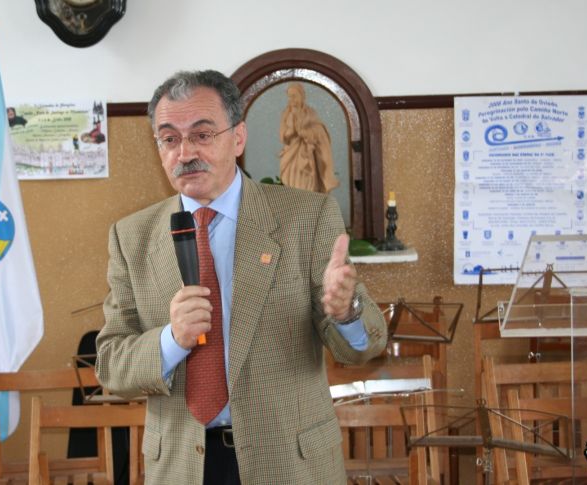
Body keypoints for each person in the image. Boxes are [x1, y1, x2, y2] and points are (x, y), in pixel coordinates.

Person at [95, 70, 387, 485]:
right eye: (170, 138)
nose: (185, 153)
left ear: (238, 138)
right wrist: (170, 340)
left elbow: (365, 347)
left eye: (202, 134)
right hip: (182, 466)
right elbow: (110, 364)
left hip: (289, 462)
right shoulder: (131, 237)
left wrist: (346, 313)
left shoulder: (305, 217)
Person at [278, 82, 340, 193]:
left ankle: (309, 206)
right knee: (292, 182)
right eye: (289, 96)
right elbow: (283, 136)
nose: (291, 99)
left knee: (307, 184)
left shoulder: (310, 113)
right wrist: (291, 131)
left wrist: (304, 132)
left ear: (301, 96)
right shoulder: (286, 114)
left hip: (307, 155)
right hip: (291, 155)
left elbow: (318, 130)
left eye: (294, 96)